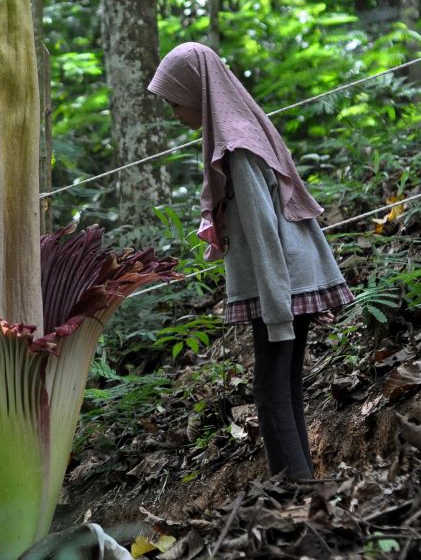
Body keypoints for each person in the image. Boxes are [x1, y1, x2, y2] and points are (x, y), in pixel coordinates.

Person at [147, 42, 353, 480]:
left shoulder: (236, 148)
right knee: (285, 387)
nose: (172, 112)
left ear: (198, 92)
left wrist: (279, 311)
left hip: (280, 283)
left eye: (173, 101)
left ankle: (295, 494)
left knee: (269, 391)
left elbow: (263, 234)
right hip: (293, 277)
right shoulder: (245, 131)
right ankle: (305, 484)